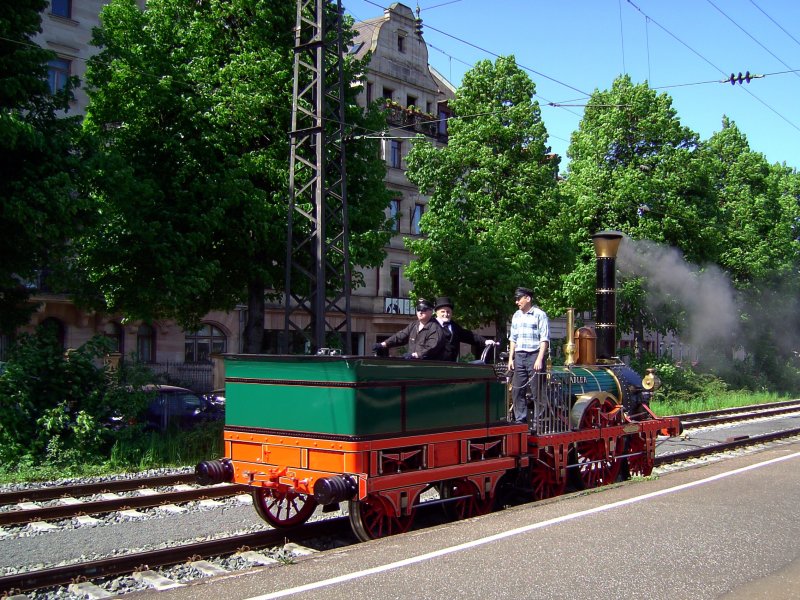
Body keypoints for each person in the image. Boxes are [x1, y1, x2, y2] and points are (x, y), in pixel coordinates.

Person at [507, 287, 550, 424]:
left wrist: (539, 358)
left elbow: (544, 339)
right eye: (516, 299)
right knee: (517, 389)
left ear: (528, 298)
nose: (516, 302)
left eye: (519, 299)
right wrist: (511, 358)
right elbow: (513, 338)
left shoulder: (539, 315)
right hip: (519, 356)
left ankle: (539, 421)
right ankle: (521, 419)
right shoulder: (516, 315)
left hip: (534, 355)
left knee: (538, 391)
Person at [373, 298, 445, 359]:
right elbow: (400, 337)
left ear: (431, 312)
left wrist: (416, 355)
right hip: (413, 365)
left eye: (424, 309)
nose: (420, 312)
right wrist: (383, 344)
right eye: (418, 309)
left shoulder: (435, 328)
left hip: (427, 367)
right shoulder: (414, 325)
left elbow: (432, 347)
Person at [434, 297, 496, 362]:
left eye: (448, 311)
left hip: (451, 365)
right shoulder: (431, 325)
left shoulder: (454, 326)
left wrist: (485, 341)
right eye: (442, 312)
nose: (446, 314)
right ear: (437, 313)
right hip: (434, 365)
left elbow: (469, 336)